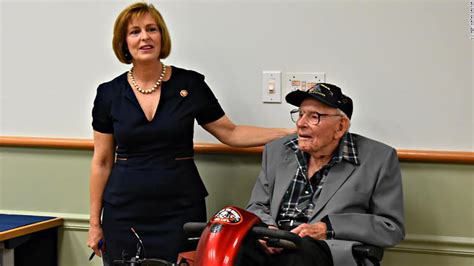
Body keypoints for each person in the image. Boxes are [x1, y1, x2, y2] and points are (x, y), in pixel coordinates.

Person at [86, 2, 294, 264]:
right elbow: (102, 161)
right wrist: (95, 224)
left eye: (152, 29)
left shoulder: (190, 84)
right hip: (123, 212)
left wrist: (287, 133)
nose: (145, 37)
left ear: (162, 36)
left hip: (180, 211)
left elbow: (230, 132)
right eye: (135, 32)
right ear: (123, 42)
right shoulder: (108, 94)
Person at [246, 83, 405, 266]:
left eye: (314, 117)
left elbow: (390, 228)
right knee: (231, 250)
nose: (300, 123)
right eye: (300, 114)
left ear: (340, 127)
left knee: (297, 256)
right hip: (275, 240)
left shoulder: (378, 159)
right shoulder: (277, 151)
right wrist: (268, 231)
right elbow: (257, 205)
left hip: (326, 247)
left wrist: (327, 228)